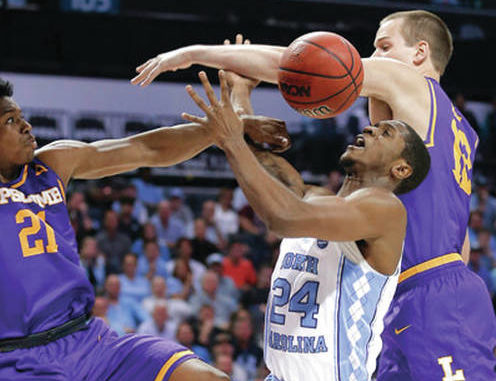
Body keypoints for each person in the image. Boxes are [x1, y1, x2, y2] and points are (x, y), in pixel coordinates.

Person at [0, 1, 289, 379]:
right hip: (21, 362)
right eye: (11, 121)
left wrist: (227, 130)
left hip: (95, 344)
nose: (27, 125)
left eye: (22, 116)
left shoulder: (53, 164)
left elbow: (143, 148)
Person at [133, 13, 496, 379]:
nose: (372, 56)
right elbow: (459, 241)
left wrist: (193, 53)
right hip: (418, 293)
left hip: (430, 296)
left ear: (420, 52)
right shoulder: (460, 129)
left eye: (384, 46)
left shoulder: (410, 81)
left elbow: (297, 63)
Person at [180, 70, 429, 380]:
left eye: (385, 133)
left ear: (400, 168)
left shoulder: (386, 211)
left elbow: (283, 217)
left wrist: (232, 141)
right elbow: (257, 161)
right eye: (375, 126)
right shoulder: (314, 199)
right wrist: (240, 93)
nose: (369, 127)